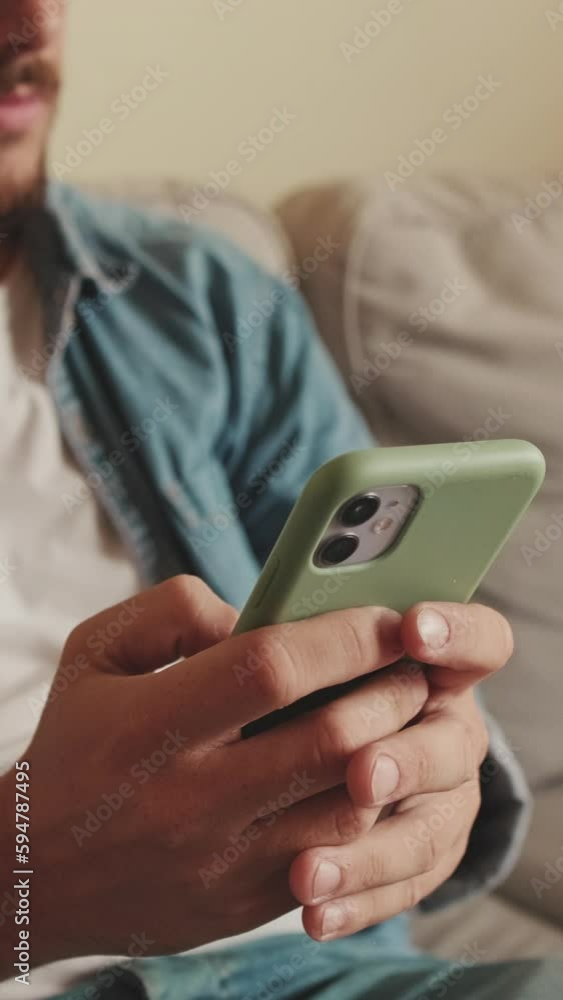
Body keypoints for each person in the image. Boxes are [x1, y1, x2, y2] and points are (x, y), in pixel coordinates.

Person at [0, 3, 559, 999]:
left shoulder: (201, 300)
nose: (30, 20)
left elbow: (412, 705)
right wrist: (27, 883)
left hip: (297, 967)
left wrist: (430, 777)